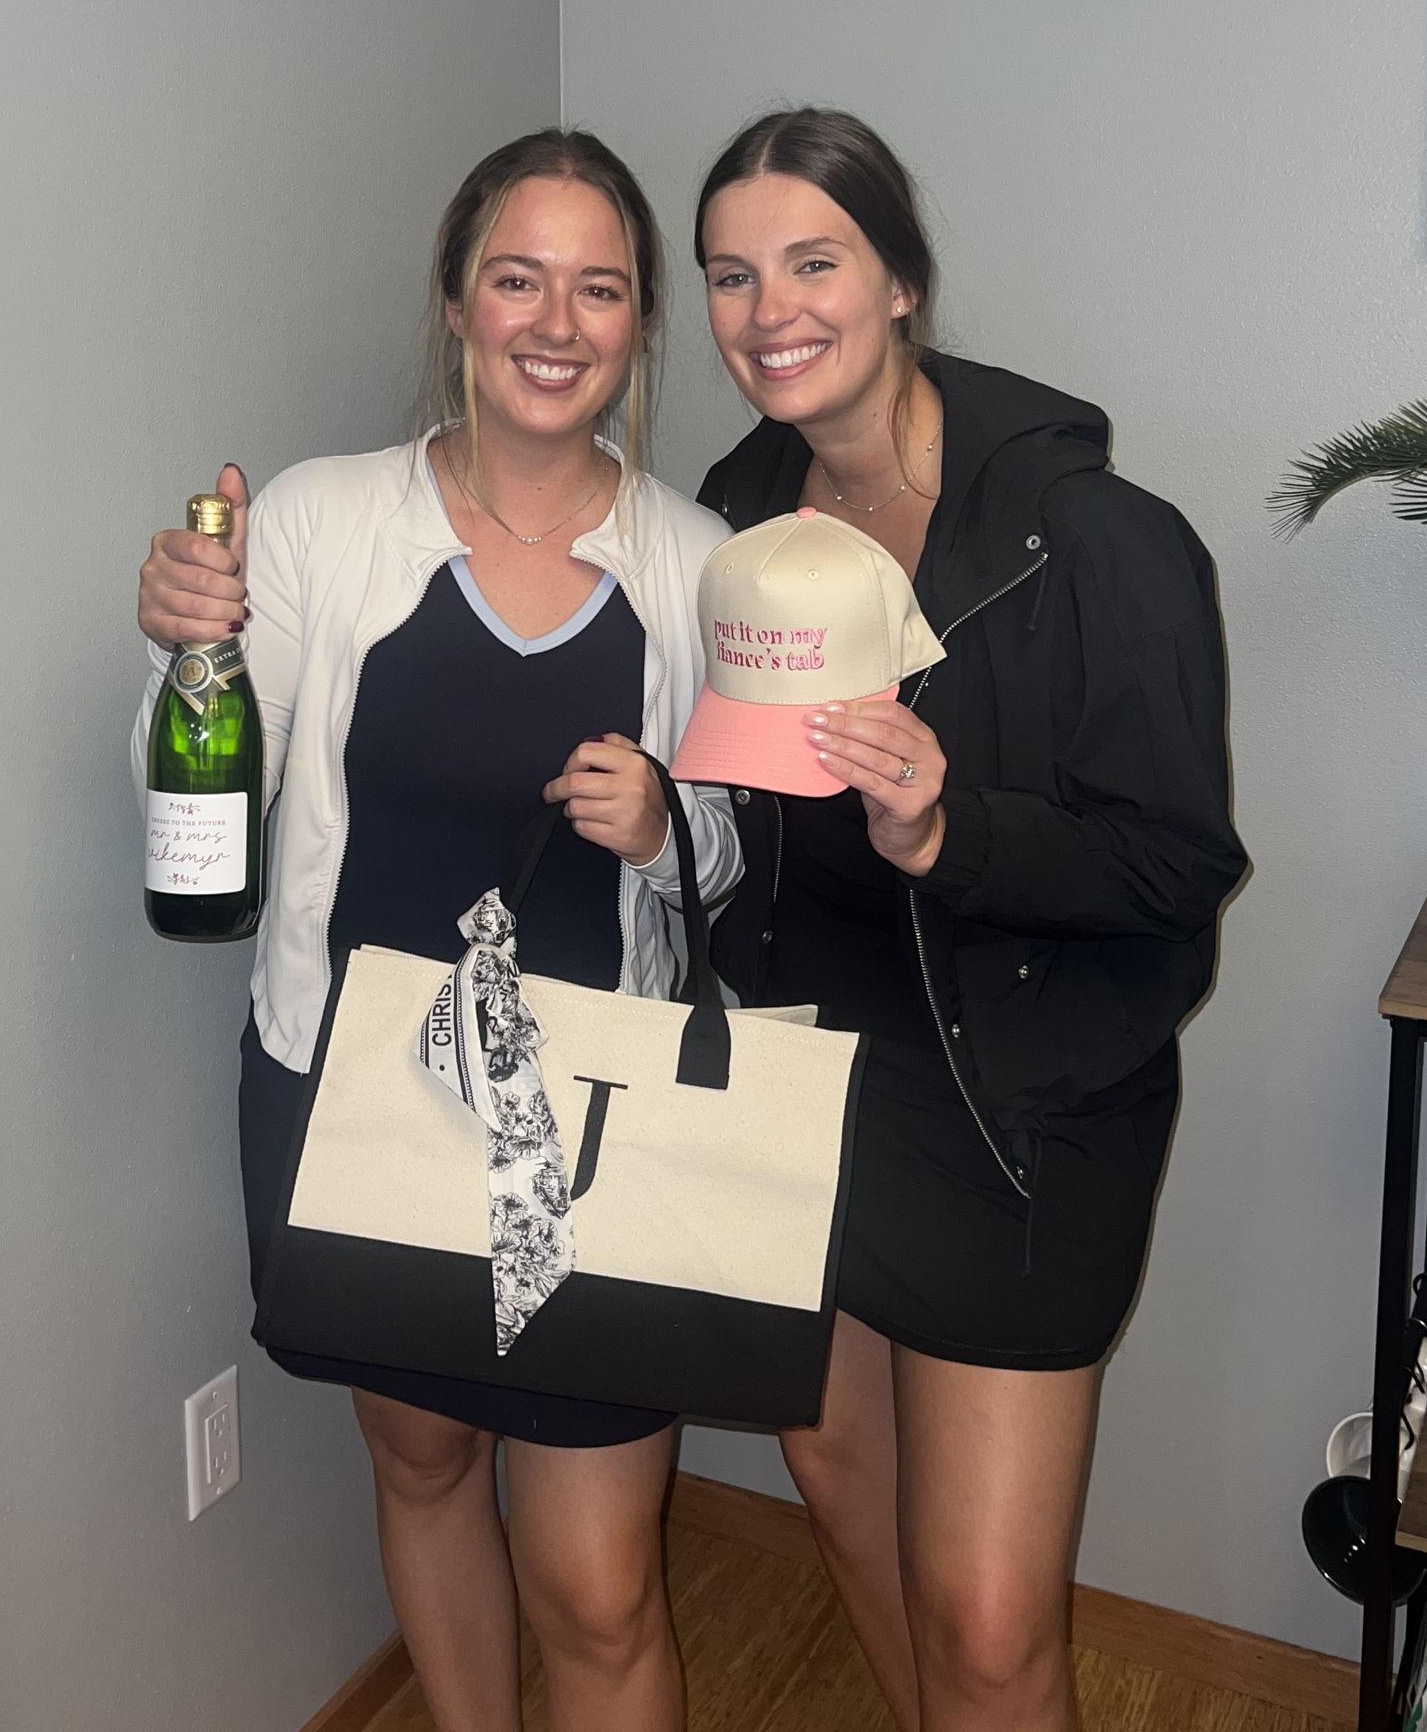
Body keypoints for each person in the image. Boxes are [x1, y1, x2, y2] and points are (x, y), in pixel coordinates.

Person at [133, 129, 737, 1732]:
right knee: (421, 1465)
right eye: (517, 278)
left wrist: (669, 825)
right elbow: (212, 783)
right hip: (354, 1093)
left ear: (639, 323)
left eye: (598, 288)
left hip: (589, 1124)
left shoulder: (694, 563)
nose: (556, 321)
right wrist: (187, 645)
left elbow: (737, 860)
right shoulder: (321, 521)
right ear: (458, 302)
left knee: (600, 1584)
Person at [689, 107, 1246, 1732]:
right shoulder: (733, 524)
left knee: (992, 1619)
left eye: (814, 262)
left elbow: (1175, 867)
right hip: (809, 1080)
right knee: (834, 1471)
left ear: (902, 282)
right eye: (730, 275)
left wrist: (950, 834)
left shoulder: (1097, 542)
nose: (769, 311)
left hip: (1018, 1112)